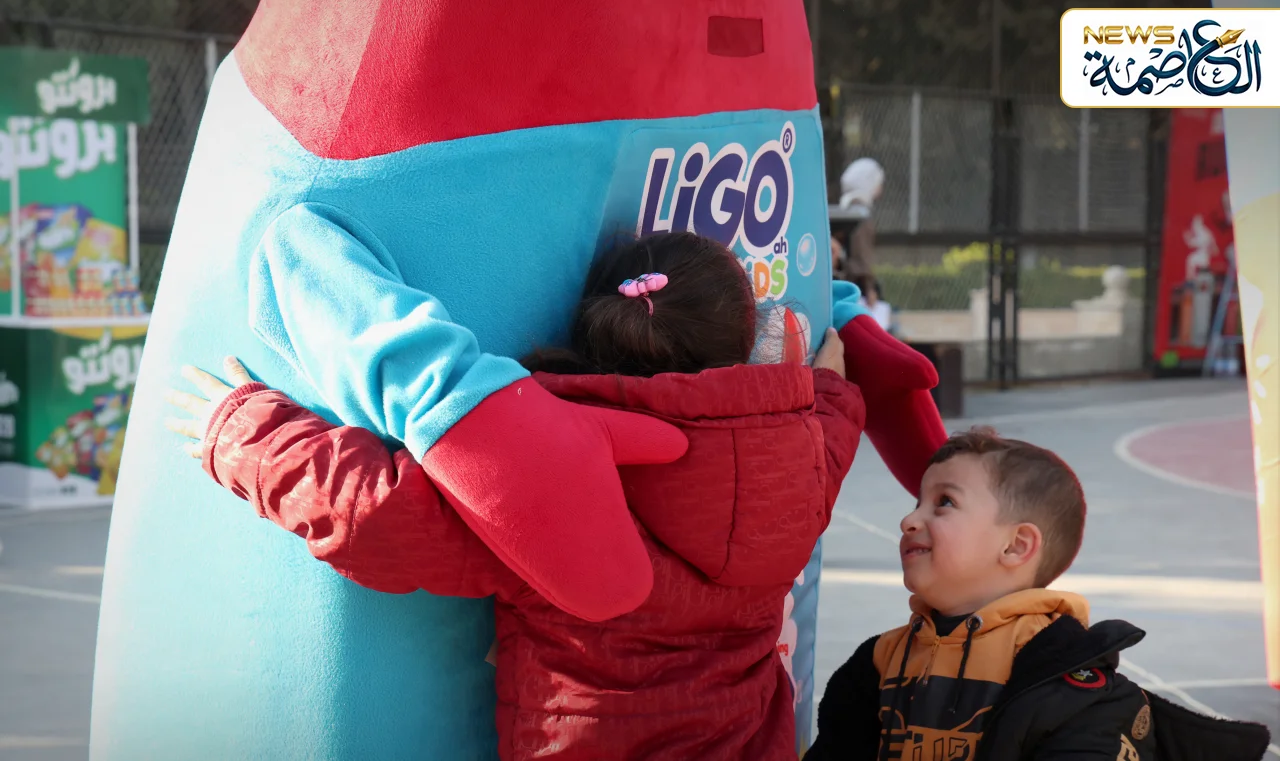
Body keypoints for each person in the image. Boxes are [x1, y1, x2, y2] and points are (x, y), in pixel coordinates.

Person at [165, 232, 869, 761]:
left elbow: (385, 515)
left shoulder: (552, 467)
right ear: (745, 344)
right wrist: (830, 389)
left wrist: (250, 438)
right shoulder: (799, 461)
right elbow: (834, 436)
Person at [807, 428, 1273, 761]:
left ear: (1016, 546)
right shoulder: (878, 663)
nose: (909, 520)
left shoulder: (1074, 688)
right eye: (917, 503)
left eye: (944, 502)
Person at [837, 157, 885, 310]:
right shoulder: (859, 213)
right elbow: (861, 254)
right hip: (856, 285)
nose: (880, 188)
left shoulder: (847, 208)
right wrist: (869, 287)